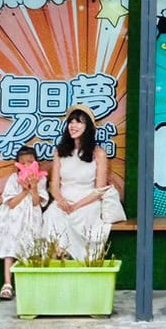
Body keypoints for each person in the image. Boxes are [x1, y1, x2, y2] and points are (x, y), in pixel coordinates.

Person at [41, 104, 125, 259]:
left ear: (88, 127)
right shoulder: (59, 152)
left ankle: (80, 260)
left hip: (88, 203)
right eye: (71, 122)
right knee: (51, 215)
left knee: (81, 217)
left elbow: (99, 190)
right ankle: (57, 260)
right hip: (63, 203)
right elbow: (54, 185)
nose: (73, 126)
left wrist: (76, 206)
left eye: (79, 122)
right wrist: (61, 201)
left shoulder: (98, 153)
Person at [0, 145, 48, 300]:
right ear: (17, 165)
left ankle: (28, 283)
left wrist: (34, 187)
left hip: (32, 218)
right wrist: (24, 190)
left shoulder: (41, 179)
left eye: (30, 162)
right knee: (10, 248)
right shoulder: (13, 179)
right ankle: (7, 283)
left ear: (36, 163)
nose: (26, 165)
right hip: (13, 218)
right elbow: (11, 203)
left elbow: (37, 202)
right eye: (22, 163)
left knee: (31, 247)